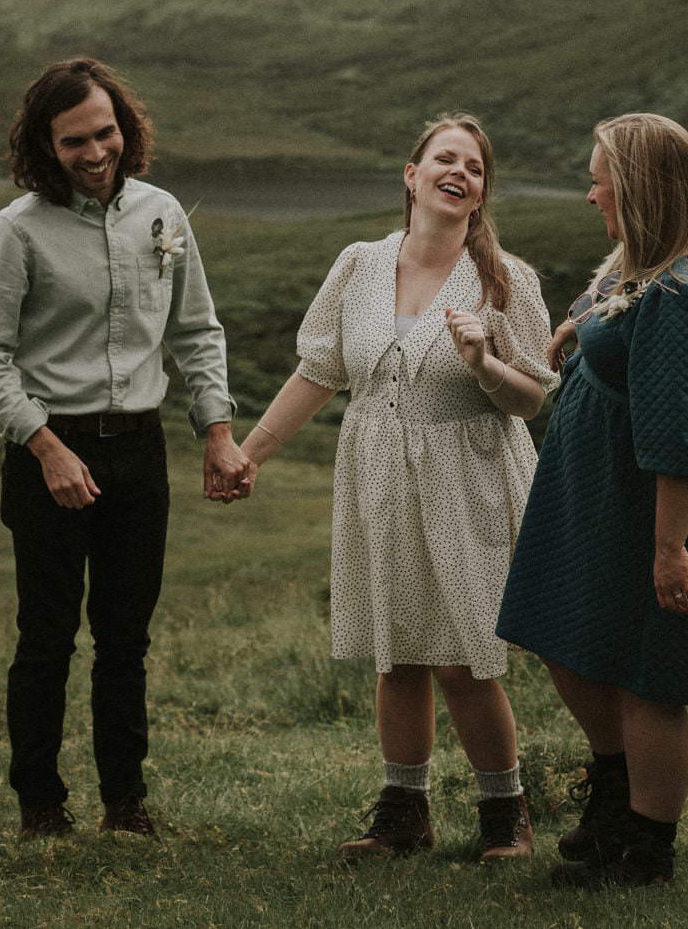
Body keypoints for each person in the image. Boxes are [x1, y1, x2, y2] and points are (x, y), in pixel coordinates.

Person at [238, 113, 558, 864]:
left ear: (480, 194)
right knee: (399, 652)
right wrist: (250, 454)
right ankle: (403, 812)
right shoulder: (358, 264)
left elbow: (532, 398)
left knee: (461, 655)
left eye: (474, 168)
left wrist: (483, 363)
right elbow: (320, 370)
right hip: (378, 473)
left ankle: (505, 814)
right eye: (445, 159)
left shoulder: (507, 280)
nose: (460, 173)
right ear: (410, 175)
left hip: (467, 476)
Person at [0, 57, 251, 842]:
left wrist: (217, 433)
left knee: (126, 640)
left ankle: (126, 803)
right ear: (42, 146)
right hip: (49, 451)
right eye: (74, 141)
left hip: (139, 451)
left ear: (126, 127)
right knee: (47, 638)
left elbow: (196, 331)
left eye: (106, 133)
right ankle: (41, 805)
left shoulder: (162, 214)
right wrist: (45, 445)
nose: (95, 153)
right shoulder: (16, 230)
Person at [495, 112, 688, 888]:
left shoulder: (684, 293)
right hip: (600, 494)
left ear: (636, 187)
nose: (588, 192)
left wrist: (670, 547)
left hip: (652, 503)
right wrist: (579, 326)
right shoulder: (641, 264)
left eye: (599, 175)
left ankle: (646, 847)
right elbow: (613, 308)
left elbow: (680, 437)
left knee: (650, 673)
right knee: (568, 636)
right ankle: (615, 791)